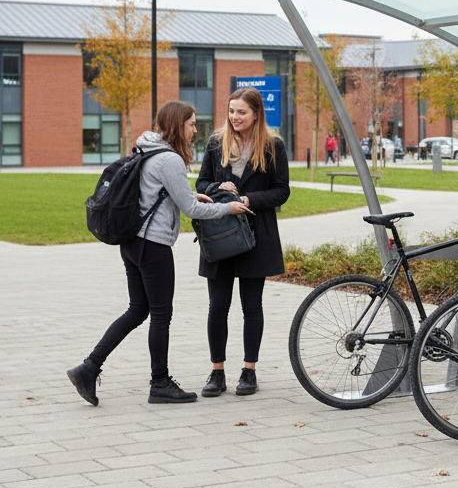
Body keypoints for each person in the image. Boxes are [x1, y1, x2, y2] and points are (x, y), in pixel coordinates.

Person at [67, 102, 251, 406]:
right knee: (161, 314)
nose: (195, 130)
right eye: (191, 124)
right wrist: (226, 207)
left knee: (138, 310)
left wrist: (192, 194)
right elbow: (192, 210)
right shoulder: (170, 159)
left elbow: (160, 191)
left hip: (132, 243)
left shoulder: (146, 148)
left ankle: (88, 368)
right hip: (153, 246)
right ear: (179, 125)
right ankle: (160, 383)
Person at [196, 87, 290, 397]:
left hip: (256, 237)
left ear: (256, 114)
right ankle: (217, 371)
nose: (235, 117)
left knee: (252, 306)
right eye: (231, 111)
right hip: (220, 235)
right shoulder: (215, 143)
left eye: (241, 112)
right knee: (217, 306)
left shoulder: (273, 146)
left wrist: (249, 197)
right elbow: (201, 184)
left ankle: (249, 371)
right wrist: (216, 185)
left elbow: (281, 191)